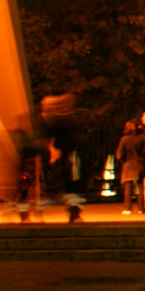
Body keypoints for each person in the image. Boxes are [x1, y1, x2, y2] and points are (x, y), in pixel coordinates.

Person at [40, 94, 83, 223]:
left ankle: (74, 211)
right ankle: (74, 212)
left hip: (68, 156)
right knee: (73, 185)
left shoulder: (60, 119)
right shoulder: (65, 119)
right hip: (69, 156)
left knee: (71, 185)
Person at [115, 120, 145, 215]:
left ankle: (128, 208)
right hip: (139, 164)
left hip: (128, 164)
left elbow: (119, 154)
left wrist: (123, 161)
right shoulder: (142, 138)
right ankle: (141, 208)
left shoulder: (125, 139)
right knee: (140, 186)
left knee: (128, 186)